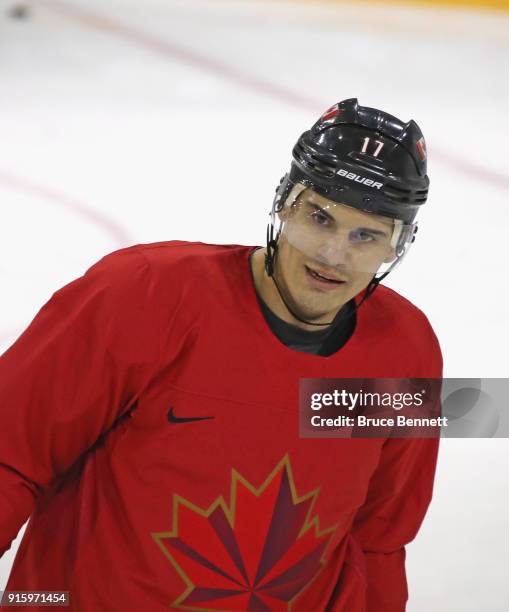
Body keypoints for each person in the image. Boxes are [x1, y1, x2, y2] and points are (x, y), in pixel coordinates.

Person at [0, 98, 442, 611]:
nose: (333, 254)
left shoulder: (403, 353)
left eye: (366, 236)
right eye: (319, 218)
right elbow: (11, 455)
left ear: (398, 245)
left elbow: (377, 542)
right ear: (283, 203)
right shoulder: (144, 296)